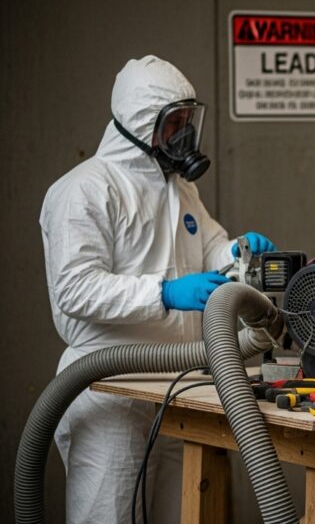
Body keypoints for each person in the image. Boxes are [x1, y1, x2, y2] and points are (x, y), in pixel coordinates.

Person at [39, 55, 276, 523]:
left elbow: (209, 247)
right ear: (141, 124)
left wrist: (236, 252)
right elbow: (74, 290)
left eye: (189, 121)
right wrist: (164, 293)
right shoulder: (83, 190)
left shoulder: (180, 189)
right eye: (174, 123)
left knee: (183, 514)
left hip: (181, 386)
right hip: (111, 388)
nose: (185, 134)